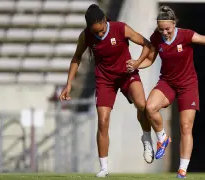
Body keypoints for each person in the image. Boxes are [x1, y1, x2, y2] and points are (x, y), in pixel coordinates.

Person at [127, 6, 205, 178]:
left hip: (188, 85)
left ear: (174, 24)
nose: (164, 32)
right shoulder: (156, 38)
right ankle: (162, 138)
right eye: (161, 29)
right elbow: (149, 59)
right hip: (167, 82)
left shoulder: (186, 35)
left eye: (168, 29)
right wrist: (135, 65)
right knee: (149, 108)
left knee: (185, 126)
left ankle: (182, 170)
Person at [59, 4, 154, 177]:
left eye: (102, 31)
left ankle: (146, 138)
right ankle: (104, 167)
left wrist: (138, 62)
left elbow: (146, 44)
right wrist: (69, 84)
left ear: (105, 21)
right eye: (96, 33)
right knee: (103, 121)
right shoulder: (86, 36)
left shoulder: (120, 28)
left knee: (142, 105)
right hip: (105, 81)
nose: (100, 35)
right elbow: (77, 57)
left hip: (126, 74)